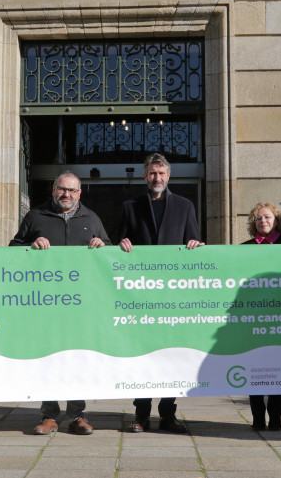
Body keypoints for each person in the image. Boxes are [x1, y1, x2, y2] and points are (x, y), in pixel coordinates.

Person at [9, 170, 110, 435]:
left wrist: (103, 245)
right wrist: (31, 243)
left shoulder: (92, 218)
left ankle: (77, 415)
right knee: (49, 357)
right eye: (61, 189)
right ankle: (49, 415)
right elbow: (12, 251)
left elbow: (110, 255)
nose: (66, 194)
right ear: (54, 190)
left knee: (77, 358)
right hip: (46, 303)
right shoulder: (35, 216)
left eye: (71, 190)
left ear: (79, 193)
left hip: (80, 304)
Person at [118, 153, 202, 434]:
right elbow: (116, 240)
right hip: (140, 295)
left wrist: (194, 243)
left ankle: (168, 412)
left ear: (169, 176)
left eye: (162, 173)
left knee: (172, 356)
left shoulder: (185, 206)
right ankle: (141, 414)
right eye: (153, 173)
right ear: (145, 176)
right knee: (144, 355)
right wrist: (121, 241)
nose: (157, 178)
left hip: (173, 296)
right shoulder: (130, 206)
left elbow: (196, 241)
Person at [240, 202, 281, 431]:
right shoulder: (243, 248)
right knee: (253, 368)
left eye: (267, 217)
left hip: (280, 318)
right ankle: (257, 418)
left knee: (277, 369)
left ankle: (275, 418)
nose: (262, 221)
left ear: (277, 220)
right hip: (252, 318)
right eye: (258, 218)